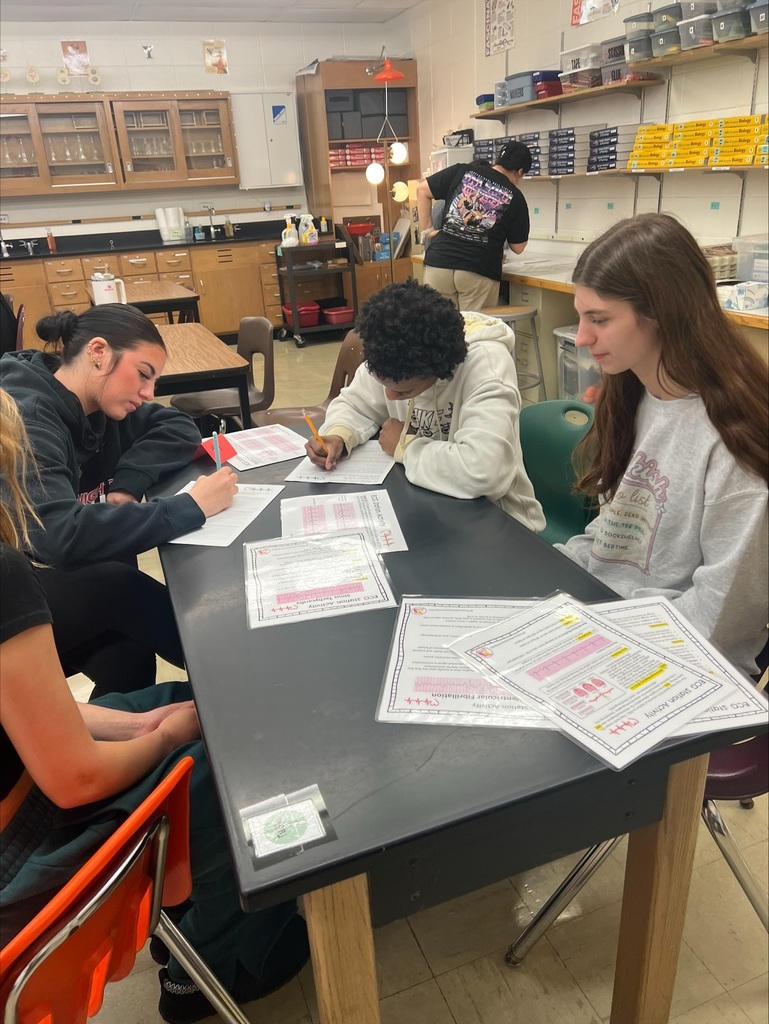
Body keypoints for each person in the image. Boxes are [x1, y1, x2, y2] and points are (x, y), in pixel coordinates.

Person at [0, 387, 309, 1024]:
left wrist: (138, 724)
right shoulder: (5, 577)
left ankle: (188, 909)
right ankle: (217, 966)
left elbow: (28, 714)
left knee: (179, 701)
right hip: (20, 845)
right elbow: (75, 777)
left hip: (26, 775)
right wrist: (164, 740)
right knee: (249, 753)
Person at [558, 213, 768, 676]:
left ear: (661, 314)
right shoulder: (634, 390)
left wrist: (602, 643)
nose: (582, 337)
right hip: (608, 622)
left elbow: (722, 620)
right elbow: (620, 528)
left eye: (599, 319)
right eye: (581, 316)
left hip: (683, 665)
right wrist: (549, 576)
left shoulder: (734, 440)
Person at [0, 305, 238, 697]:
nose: (148, 393)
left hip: (51, 585)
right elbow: (59, 537)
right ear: (98, 352)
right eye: (143, 374)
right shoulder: (29, 415)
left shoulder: (99, 405)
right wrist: (190, 507)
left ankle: (117, 746)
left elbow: (178, 425)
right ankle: (237, 665)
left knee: (129, 653)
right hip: (14, 595)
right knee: (117, 586)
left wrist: (127, 485)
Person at [305, 279, 545, 532]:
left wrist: (405, 447)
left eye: (403, 391)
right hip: (428, 508)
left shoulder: (486, 366)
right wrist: (338, 435)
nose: (389, 395)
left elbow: (484, 471)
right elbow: (356, 403)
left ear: (440, 369)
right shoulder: (390, 353)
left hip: (499, 522)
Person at [417, 142, 532, 311]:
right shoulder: (516, 197)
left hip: (439, 263)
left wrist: (428, 230)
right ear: (520, 172)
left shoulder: (463, 170)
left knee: (439, 330)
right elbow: (518, 247)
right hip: (478, 270)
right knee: (474, 332)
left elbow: (422, 190)